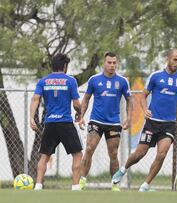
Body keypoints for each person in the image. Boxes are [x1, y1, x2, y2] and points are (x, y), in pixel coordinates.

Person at [111, 48, 177, 192]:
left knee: (162, 154)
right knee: (140, 153)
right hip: (152, 123)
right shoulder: (156, 76)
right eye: (175, 59)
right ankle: (123, 169)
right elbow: (142, 96)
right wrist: (145, 110)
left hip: (169, 125)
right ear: (168, 59)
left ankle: (145, 186)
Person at [78, 52, 132, 191]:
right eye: (109, 62)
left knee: (113, 153)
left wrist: (128, 118)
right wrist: (81, 116)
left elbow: (130, 101)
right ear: (104, 63)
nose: (112, 65)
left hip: (114, 123)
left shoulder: (122, 81)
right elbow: (86, 99)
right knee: (89, 148)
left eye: (114, 63)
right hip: (96, 120)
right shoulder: (94, 79)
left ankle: (115, 184)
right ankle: (82, 181)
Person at [29, 53, 83, 190]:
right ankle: (76, 187)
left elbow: (35, 99)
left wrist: (31, 117)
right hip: (65, 122)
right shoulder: (70, 81)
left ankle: (38, 185)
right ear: (65, 66)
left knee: (44, 156)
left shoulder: (43, 81)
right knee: (77, 154)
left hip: (50, 123)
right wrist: (79, 112)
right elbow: (76, 103)